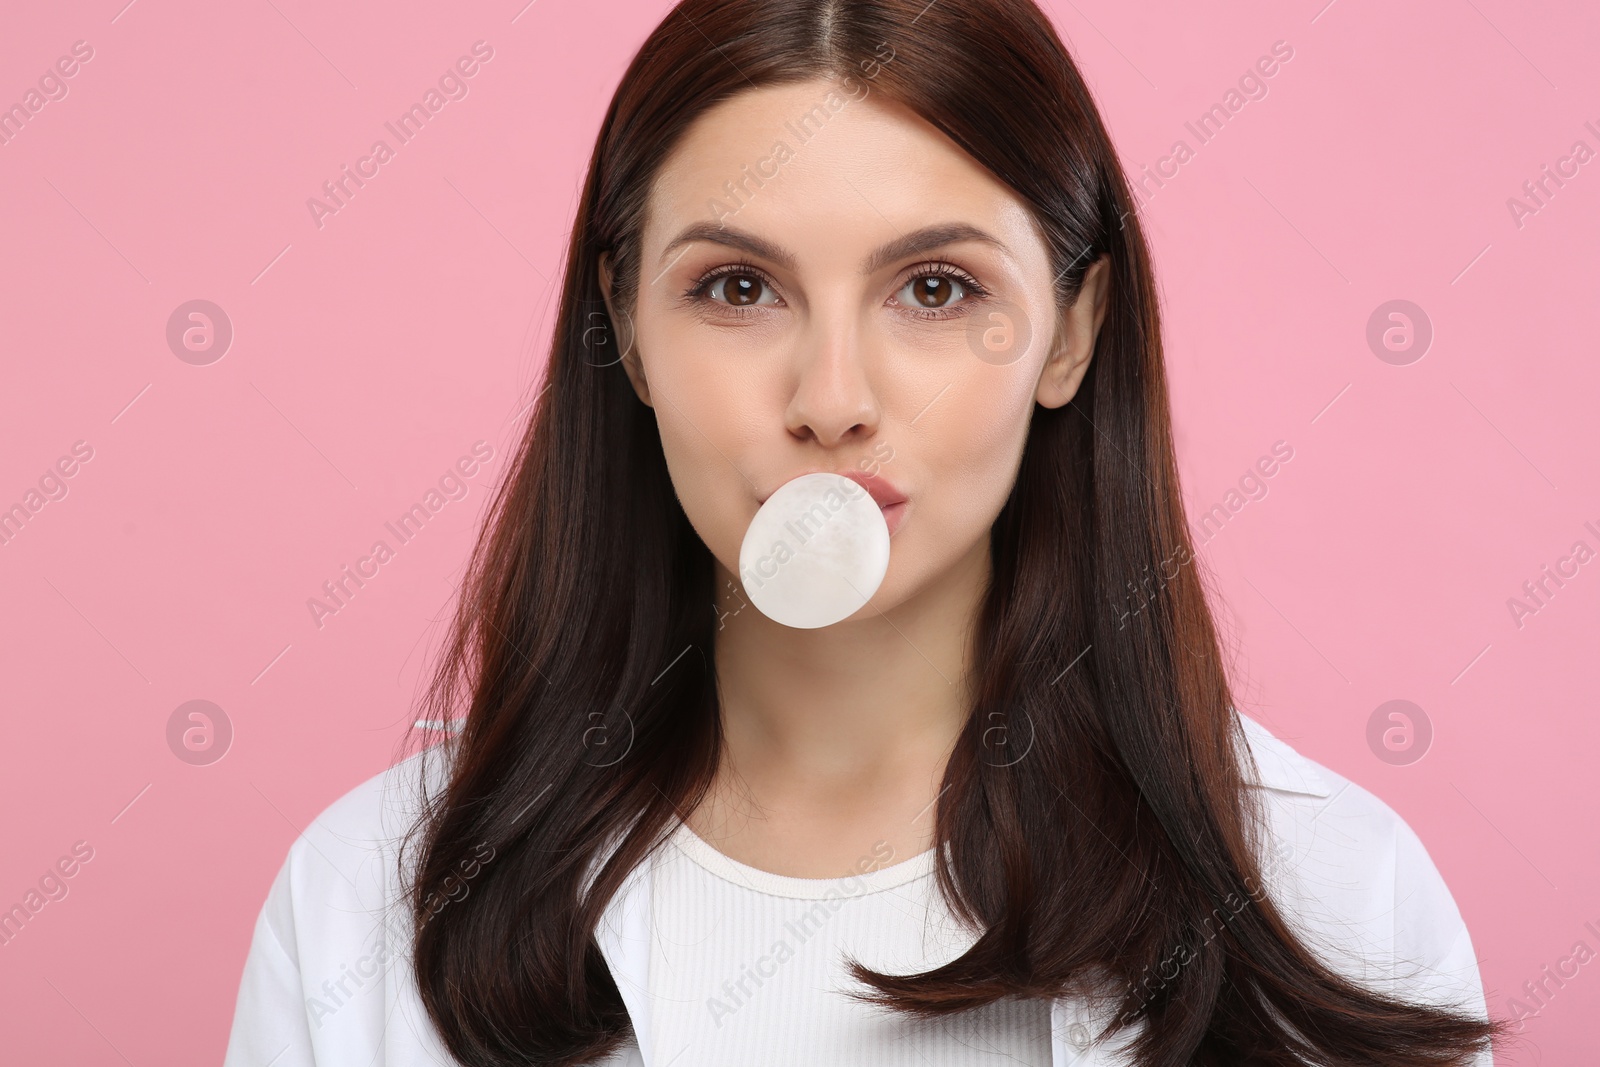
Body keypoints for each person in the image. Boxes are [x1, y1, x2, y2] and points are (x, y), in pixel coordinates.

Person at [224, 0, 1506, 1063]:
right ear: (623, 325)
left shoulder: (1338, 897)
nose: (831, 399)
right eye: (737, 287)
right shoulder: (361, 908)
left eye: (935, 289)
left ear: (1068, 329)